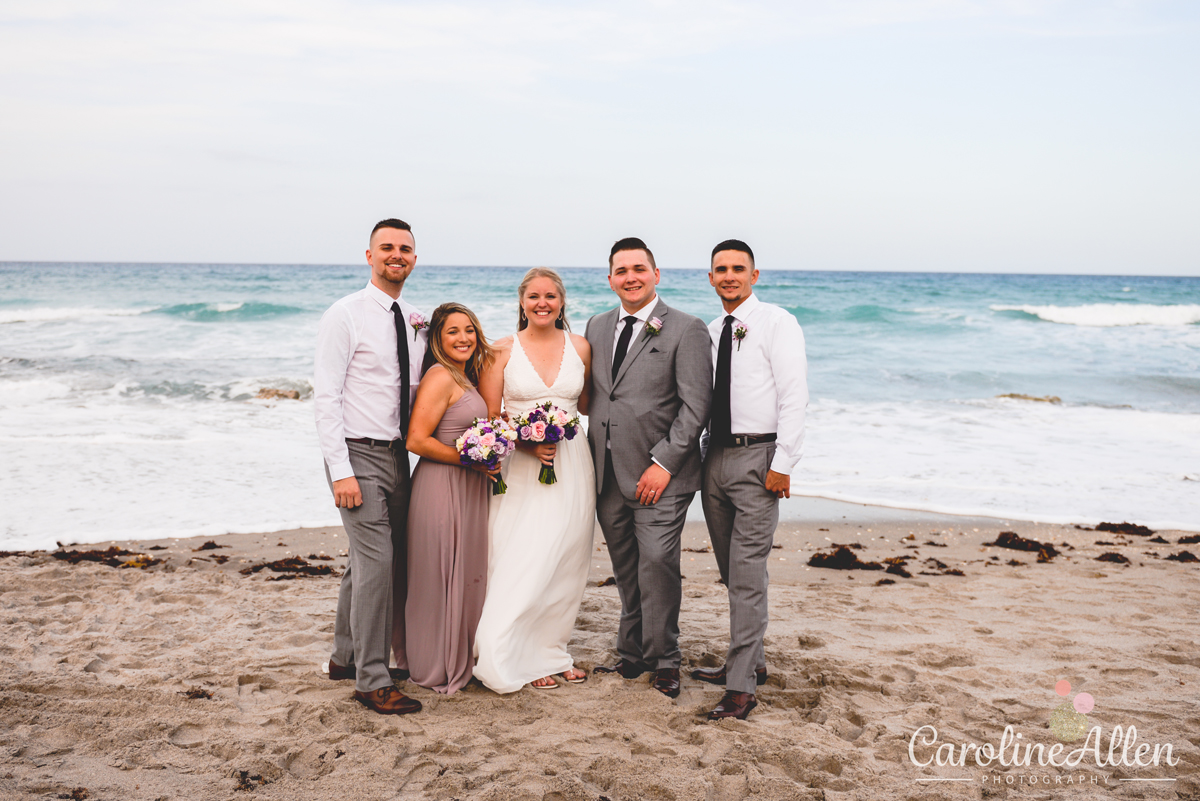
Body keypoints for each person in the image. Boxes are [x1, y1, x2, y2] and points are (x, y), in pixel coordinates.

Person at [584, 238, 713, 699]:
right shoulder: (596, 326)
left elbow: (697, 407)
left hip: (660, 475)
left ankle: (665, 660)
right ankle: (632, 652)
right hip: (606, 472)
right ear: (610, 279)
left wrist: (664, 463)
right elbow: (600, 397)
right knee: (626, 566)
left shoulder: (686, 328)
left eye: (639, 268)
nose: (630, 277)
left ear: (656, 274)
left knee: (658, 563)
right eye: (621, 271)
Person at [314, 218, 425, 716]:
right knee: (378, 562)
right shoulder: (346, 314)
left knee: (370, 561)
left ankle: (345, 656)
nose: (395, 255)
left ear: (414, 259)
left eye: (404, 248)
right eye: (387, 247)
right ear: (369, 255)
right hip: (356, 453)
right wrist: (340, 470)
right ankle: (372, 681)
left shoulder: (416, 320)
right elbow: (326, 396)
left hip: (399, 454)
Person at [695, 239, 808, 720]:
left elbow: (794, 395)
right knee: (733, 571)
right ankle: (751, 660)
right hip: (712, 457)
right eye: (720, 269)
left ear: (754, 275)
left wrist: (784, 462)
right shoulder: (710, 330)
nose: (729, 276)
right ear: (711, 277)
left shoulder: (777, 322)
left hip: (759, 459)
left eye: (738, 269)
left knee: (745, 576)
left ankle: (740, 687)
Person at [474, 268, 596, 692]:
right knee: (521, 554)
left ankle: (550, 651)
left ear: (562, 302)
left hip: (573, 461)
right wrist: (526, 443)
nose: (542, 303)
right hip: (521, 466)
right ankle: (510, 651)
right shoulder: (501, 351)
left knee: (566, 558)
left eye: (550, 296)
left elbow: (584, 404)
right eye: (533, 297)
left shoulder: (580, 346)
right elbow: (490, 418)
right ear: (521, 302)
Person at [404, 303, 496, 695]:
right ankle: (432, 664)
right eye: (453, 332)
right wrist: (469, 460)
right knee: (437, 574)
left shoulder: (465, 375)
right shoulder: (440, 376)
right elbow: (416, 440)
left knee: (463, 572)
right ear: (438, 340)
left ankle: (458, 652)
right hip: (442, 486)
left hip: (468, 485)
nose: (463, 338)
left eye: (470, 330)